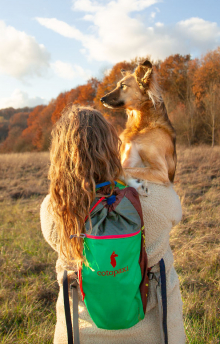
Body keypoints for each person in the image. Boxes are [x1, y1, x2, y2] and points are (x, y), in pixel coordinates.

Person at [40, 105, 186, 344]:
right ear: (113, 147)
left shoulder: (54, 208)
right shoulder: (154, 195)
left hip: (79, 334)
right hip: (155, 333)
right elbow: (176, 213)